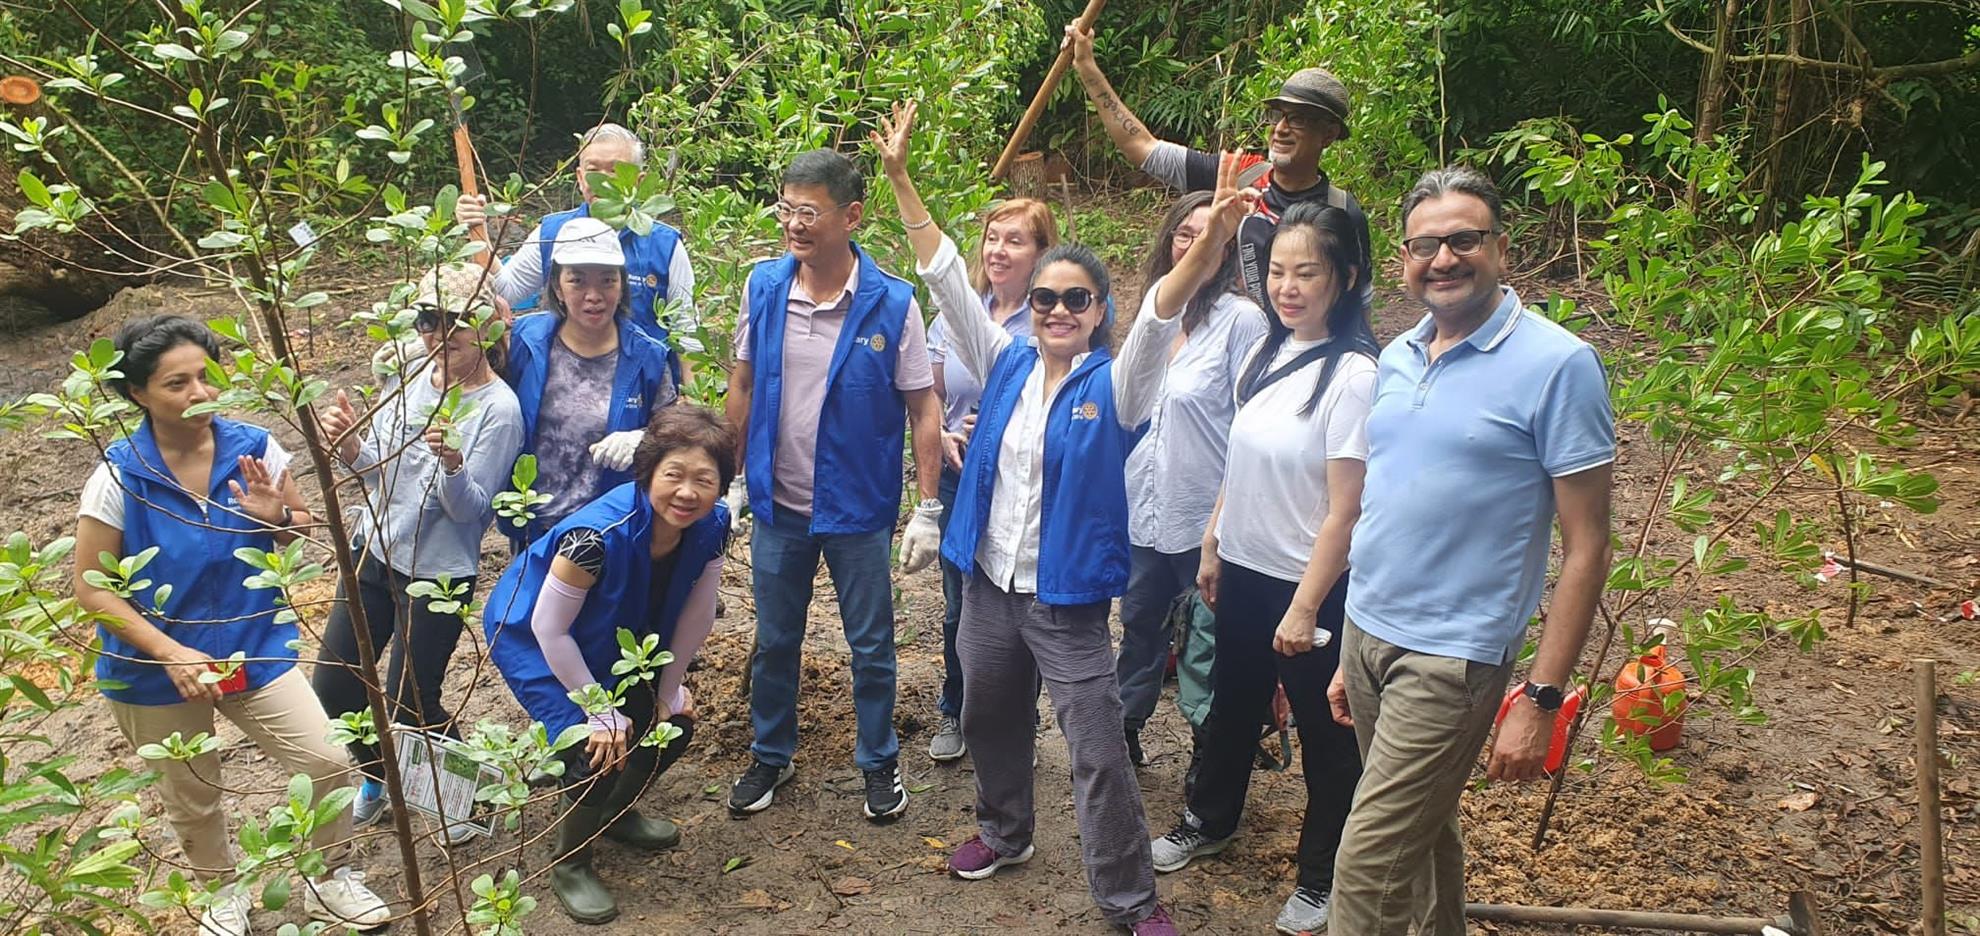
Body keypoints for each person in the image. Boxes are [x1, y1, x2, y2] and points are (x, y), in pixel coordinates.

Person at [873, 100, 1192, 936]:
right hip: (989, 584)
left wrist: (1214, 243)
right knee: (985, 714)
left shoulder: (1115, 386)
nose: (1056, 310)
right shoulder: (1005, 359)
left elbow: (1160, 319)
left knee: (1095, 750)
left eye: (1075, 299)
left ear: (1098, 310)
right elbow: (943, 270)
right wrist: (901, 179)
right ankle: (1005, 832)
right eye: (1046, 297)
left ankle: (1130, 901)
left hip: (1066, 600)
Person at [1328, 167, 1614, 934]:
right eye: (1427, 244)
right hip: (1368, 635)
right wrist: (1349, 645)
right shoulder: (1396, 356)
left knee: (1364, 872)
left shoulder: (1559, 365)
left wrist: (1542, 700)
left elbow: (1588, 547)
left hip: (1452, 659)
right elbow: (1386, 501)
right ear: (1403, 259)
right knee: (1420, 842)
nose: (1445, 258)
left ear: (1501, 249)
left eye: (1464, 239)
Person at [73, 315, 390, 936]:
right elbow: (90, 586)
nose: (199, 394)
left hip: (252, 644)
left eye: (206, 377)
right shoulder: (117, 476)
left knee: (327, 759)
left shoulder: (256, 447)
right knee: (193, 791)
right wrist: (171, 653)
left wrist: (277, 518)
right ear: (138, 393)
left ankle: (330, 880)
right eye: (176, 383)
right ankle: (223, 893)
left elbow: (298, 523)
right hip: (154, 666)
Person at [1144, 201, 1379, 936]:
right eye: (1278, 270)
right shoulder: (1264, 352)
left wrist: (1307, 606)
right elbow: (1236, 464)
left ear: (1343, 278)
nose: (1288, 286)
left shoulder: (1354, 376)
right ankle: (1208, 820)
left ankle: (1322, 876)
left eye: (1306, 272)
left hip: (1307, 585)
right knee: (1231, 707)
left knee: (1324, 733)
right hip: (1241, 568)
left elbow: (1347, 510)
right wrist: (1214, 544)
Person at [723, 146, 944, 823]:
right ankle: (771, 754)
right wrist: (734, 478)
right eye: (786, 209)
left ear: (851, 216)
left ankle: (879, 762)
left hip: (858, 508)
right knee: (778, 639)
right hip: (778, 504)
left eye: (808, 212)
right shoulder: (763, 287)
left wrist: (926, 508)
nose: (793, 224)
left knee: (871, 646)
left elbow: (923, 406)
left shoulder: (892, 304)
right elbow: (742, 383)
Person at [481, 405, 734, 924]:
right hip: (535, 635)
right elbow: (550, 629)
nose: (688, 492)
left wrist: (670, 688)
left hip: (620, 625)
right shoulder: (592, 538)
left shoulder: (713, 524)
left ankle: (613, 815)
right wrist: (597, 708)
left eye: (704, 480)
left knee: (672, 726)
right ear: (648, 473)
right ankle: (570, 861)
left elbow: (697, 612)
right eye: (674, 476)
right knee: (595, 745)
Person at [311, 264, 526, 842]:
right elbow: (375, 468)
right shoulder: (406, 374)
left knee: (411, 700)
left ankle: (472, 802)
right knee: (334, 685)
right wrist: (351, 443)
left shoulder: (499, 410)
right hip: (374, 550)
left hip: (438, 571)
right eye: (427, 319)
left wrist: (452, 463)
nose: (439, 333)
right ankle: (383, 779)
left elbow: (471, 512)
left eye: (455, 320)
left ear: (485, 327)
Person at [1114, 190, 1269, 769]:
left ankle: (1214, 758)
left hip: (1206, 517)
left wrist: (1223, 527)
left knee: (1209, 643)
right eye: (1185, 232)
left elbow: (1253, 426)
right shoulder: (1152, 314)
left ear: (1225, 249)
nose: (1195, 243)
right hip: (1140, 511)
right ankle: (1124, 734)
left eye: (1210, 234)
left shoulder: (1243, 322)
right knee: (1138, 629)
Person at [1065, 24, 1373, 312]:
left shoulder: (1342, 211)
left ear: (1329, 135)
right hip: (1229, 343)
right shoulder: (1239, 176)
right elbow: (1143, 149)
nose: (1280, 128)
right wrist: (1086, 67)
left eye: (1299, 120)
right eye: (1278, 116)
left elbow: (1358, 301)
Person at [920, 194, 1057, 763]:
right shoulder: (957, 310)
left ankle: (1018, 718)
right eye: (993, 238)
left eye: (1015, 240)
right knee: (961, 604)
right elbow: (927, 394)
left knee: (1022, 603)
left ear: (1042, 252)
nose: (999, 250)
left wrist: (1001, 424)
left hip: (1022, 484)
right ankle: (958, 707)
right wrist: (943, 434)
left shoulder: (1053, 315)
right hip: (959, 476)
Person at [456, 122, 699, 379]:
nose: (602, 182)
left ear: (638, 181)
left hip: (645, 391)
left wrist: (694, 402)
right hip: (563, 389)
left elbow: (688, 333)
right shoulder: (552, 233)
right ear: (580, 177)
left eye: (616, 172)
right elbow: (505, 292)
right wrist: (478, 229)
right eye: (593, 170)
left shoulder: (664, 244)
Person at [503, 216, 679, 548]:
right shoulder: (525, 341)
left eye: (607, 281)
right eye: (578, 281)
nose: (593, 296)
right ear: (557, 286)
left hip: (612, 528)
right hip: (534, 527)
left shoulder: (647, 357)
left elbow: (673, 431)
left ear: (622, 286)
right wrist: (416, 355)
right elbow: (471, 375)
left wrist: (641, 439)